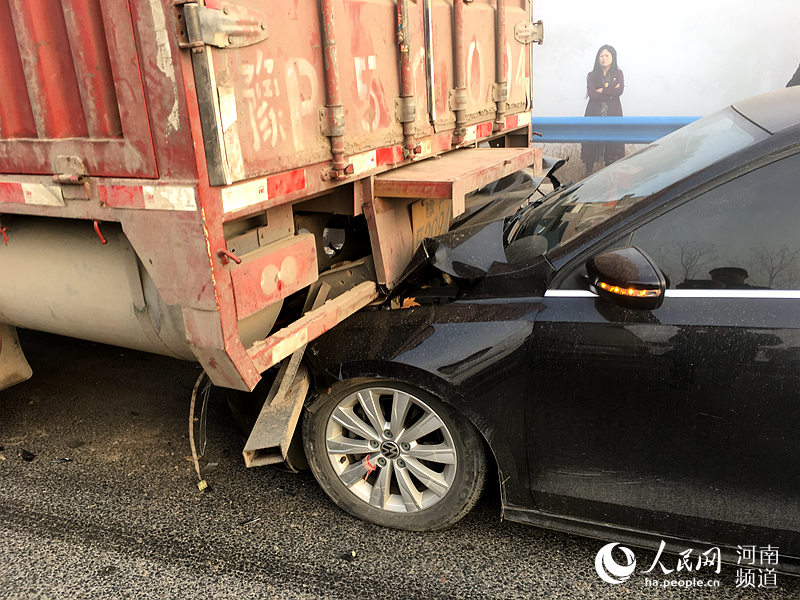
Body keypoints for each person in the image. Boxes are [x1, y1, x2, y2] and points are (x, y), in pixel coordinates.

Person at [581, 45, 625, 175]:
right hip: (594, 114)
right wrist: (610, 92)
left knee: (611, 146)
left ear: (613, 58)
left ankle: (609, 177)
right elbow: (592, 94)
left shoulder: (618, 74)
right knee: (591, 145)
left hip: (613, 115)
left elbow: (620, 91)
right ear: (597, 58)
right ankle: (588, 174)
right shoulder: (592, 75)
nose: (604, 59)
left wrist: (602, 90)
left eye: (607, 56)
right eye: (601, 56)